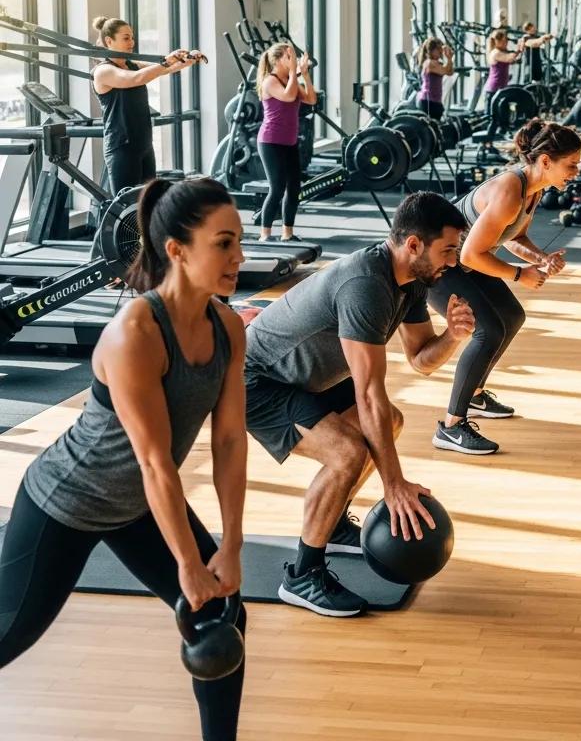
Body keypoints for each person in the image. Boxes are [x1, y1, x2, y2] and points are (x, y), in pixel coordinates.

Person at [0, 177, 249, 741]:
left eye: (239, 242)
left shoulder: (228, 327)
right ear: (177, 250)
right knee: (9, 635)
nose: (239, 256)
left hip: (140, 506)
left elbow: (230, 440)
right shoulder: (135, 333)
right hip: (68, 500)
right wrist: (188, 563)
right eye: (225, 243)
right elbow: (155, 463)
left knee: (223, 616)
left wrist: (231, 544)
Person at [243, 192, 475, 617]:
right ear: (413, 246)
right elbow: (369, 393)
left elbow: (421, 358)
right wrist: (394, 486)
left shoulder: (409, 282)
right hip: (256, 381)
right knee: (347, 452)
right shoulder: (367, 285)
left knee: (394, 421)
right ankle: (301, 576)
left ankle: (330, 523)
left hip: (305, 379)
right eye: (447, 250)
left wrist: (452, 338)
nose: (454, 262)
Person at [428, 119, 581, 455]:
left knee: (511, 316)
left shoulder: (533, 190)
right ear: (545, 161)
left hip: (467, 261)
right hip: (436, 266)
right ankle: (451, 427)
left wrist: (540, 258)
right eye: (570, 165)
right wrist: (518, 275)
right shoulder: (510, 190)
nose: (575, 172)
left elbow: (512, 236)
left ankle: (477, 394)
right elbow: (470, 253)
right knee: (488, 331)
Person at [91, 16, 201, 194]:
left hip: (143, 143)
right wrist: (166, 61)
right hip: (122, 148)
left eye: (132, 37)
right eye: (126, 38)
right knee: (127, 208)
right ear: (109, 41)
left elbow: (164, 69)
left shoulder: (131, 64)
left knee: (148, 203)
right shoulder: (104, 71)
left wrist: (188, 60)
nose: (132, 42)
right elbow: (137, 78)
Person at [255, 42, 317, 244]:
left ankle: (287, 234)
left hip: (289, 142)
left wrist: (304, 74)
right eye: (289, 57)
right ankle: (265, 234)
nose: (294, 60)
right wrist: (293, 72)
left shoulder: (289, 80)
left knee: (294, 188)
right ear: (278, 60)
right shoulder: (270, 82)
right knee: (277, 188)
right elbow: (289, 96)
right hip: (271, 141)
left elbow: (311, 99)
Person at [481, 29, 524, 157]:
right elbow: (510, 58)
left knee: (500, 118)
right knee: (492, 120)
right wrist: (519, 48)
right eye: (504, 40)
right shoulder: (495, 53)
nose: (506, 42)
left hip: (500, 90)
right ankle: (486, 145)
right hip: (493, 90)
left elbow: (515, 58)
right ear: (498, 41)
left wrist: (520, 49)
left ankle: (490, 144)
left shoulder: (500, 52)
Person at [415, 36, 454, 122]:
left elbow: (450, 72)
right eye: (438, 49)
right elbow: (445, 71)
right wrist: (449, 58)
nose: (440, 51)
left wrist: (450, 59)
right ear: (431, 50)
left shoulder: (436, 63)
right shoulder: (429, 63)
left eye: (441, 48)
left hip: (435, 100)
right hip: (428, 101)